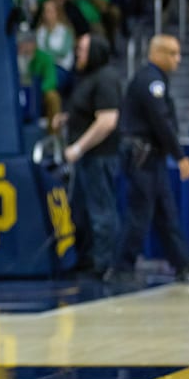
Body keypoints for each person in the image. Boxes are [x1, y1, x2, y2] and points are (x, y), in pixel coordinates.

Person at [109, 35, 189, 282]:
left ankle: (182, 262)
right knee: (139, 214)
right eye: (172, 53)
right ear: (157, 54)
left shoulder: (155, 79)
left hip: (153, 158)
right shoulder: (150, 81)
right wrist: (180, 156)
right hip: (143, 157)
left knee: (166, 212)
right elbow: (161, 121)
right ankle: (121, 268)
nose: (178, 59)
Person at [58, 35, 122, 277]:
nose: (78, 54)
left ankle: (104, 264)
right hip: (87, 159)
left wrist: (78, 148)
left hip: (99, 156)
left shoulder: (106, 78)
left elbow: (107, 121)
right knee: (83, 211)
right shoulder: (87, 77)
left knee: (101, 211)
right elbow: (86, 111)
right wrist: (67, 119)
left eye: (83, 50)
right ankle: (86, 258)